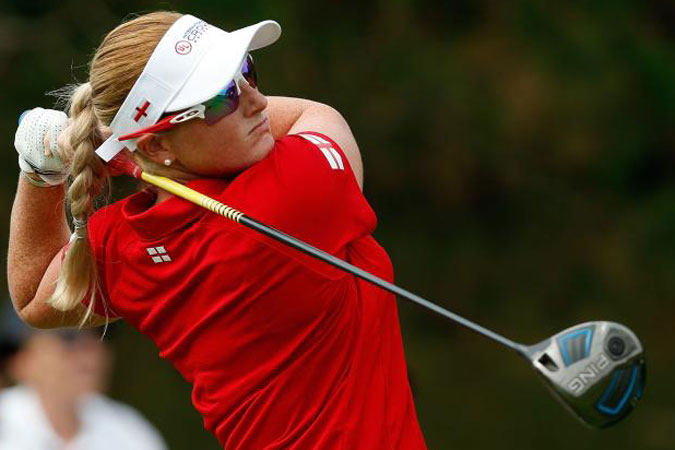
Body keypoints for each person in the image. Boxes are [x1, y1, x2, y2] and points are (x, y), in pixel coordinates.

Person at [8, 11, 427, 449]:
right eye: (220, 98)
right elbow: (316, 115)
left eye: (246, 72)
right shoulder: (297, 193)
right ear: (158, 143)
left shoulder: (126, 242)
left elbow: (34, 295)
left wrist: (40, 169)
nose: (257, 101)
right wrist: (112, 140)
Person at [0, 315, 167, 450]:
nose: (91, 350)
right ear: (21, 360)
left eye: (100, 333)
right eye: (68, 337)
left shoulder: (129, 431)